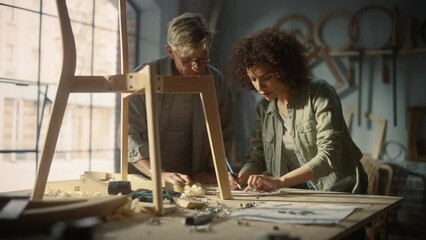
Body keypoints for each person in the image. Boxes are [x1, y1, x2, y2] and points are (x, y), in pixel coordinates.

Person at [228, 28, 368, 194]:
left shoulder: (319, 92)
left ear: (284, 70)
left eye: (267, 78)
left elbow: (329, 155)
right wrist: (242, 176)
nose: (259, 87)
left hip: (338, 188)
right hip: (295, 192)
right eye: (253, 79)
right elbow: (258, 155)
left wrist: (281, 181)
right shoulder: (264, 108)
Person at [127, 12, 235, 187]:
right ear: (170, 51)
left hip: (194, 182)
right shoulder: (143, 77)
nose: (197, 68)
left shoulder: (216, 81)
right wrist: (158, 174)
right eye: (187, 60)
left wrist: (212, 171)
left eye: (202, 59)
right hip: (147, 179)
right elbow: (129, 136)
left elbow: (225, 134)